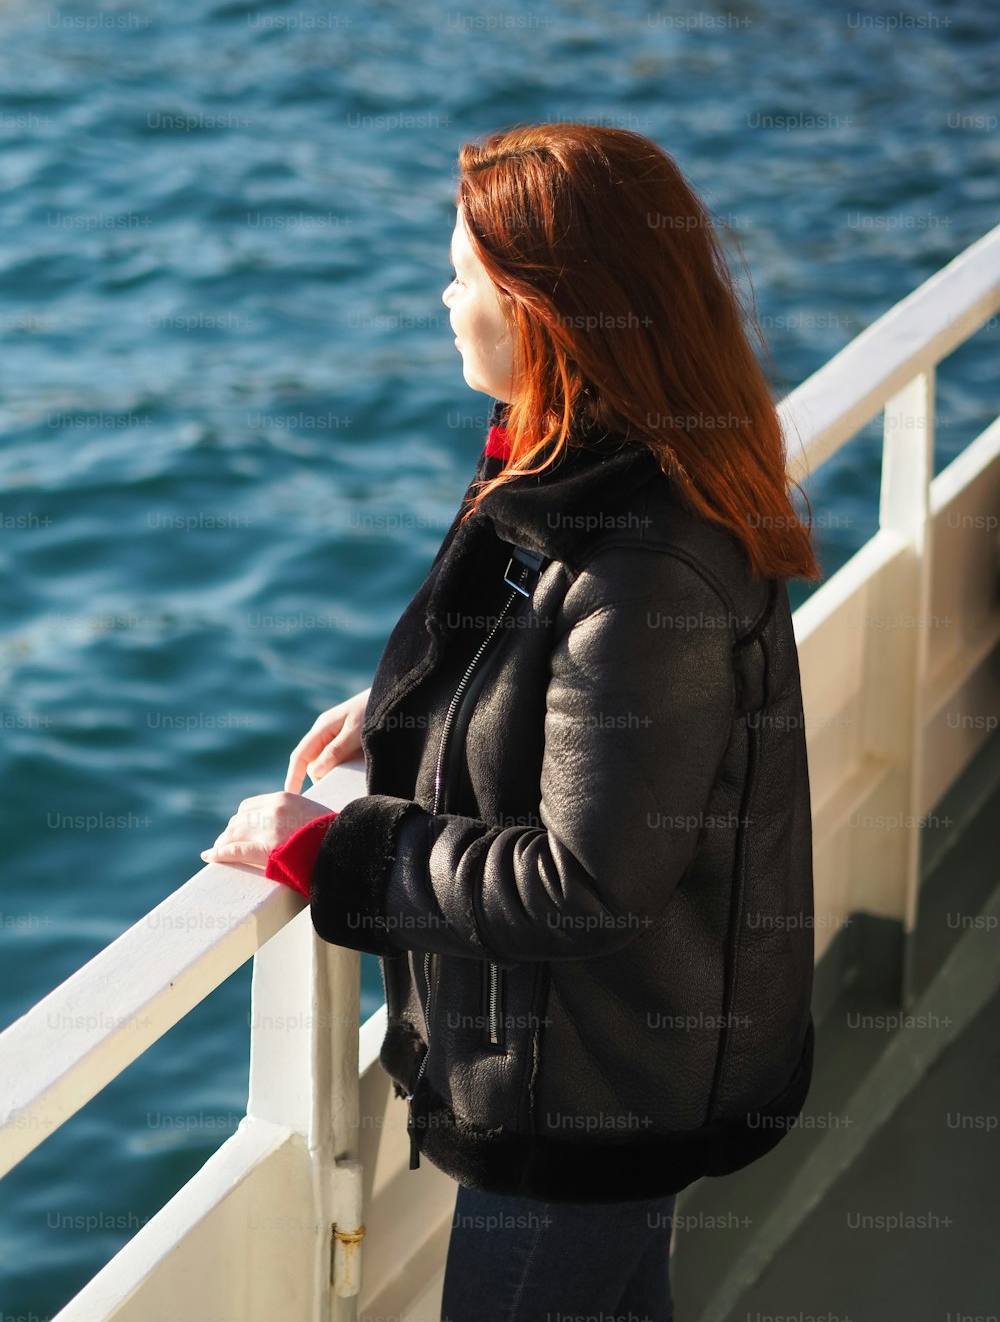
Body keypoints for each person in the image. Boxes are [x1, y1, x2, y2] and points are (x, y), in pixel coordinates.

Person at [201, 121, 823, 1321]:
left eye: (462, 275)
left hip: (598, 1100)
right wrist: (404, 711)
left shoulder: (646, 567)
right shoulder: (586, 464)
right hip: (616, 1064)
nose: (441, 297)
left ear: (542, 309)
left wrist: (331, 848)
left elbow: (581, 882)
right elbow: (550, 688)